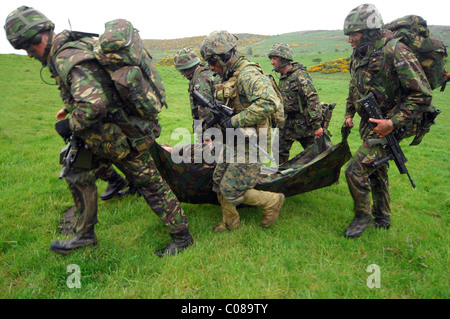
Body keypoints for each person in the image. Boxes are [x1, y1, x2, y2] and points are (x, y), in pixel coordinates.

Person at [5, 6, 193, 256]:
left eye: (27, 48)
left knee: (150, 184)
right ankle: (85, 234)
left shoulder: (66, 56)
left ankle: (182, 238)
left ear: (37, 39)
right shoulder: (74, 44)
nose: (29, 55)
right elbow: (98, 87)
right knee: (76, 169)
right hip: (103, 135)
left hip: (123, 136)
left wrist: (68, 124)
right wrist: (69, 109)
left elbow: (95, 104)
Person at [343, 4, 432, 238]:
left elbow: (422, 95)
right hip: (370, 121)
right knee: (377, 169)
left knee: (354, 170)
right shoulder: (360, 53)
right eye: (349, 35)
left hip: (390, 124)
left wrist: (391, 123)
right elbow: (354, 86)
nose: (350, 40)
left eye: (355, 34)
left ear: (370, 31)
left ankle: (362, 217)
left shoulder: (396, 51)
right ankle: (382, 218)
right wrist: (349, 113)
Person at [200, 30, 285, 232]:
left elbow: (269, 102)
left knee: (230, 188)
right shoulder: (230, 74)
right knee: (219, 180)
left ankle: (271, 201)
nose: (211, 67)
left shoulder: (248, 74)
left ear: (226, 56)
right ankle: (231, 223)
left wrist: (234, 120)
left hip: (252, 142)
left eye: (213, 61)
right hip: (236, 139)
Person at [56, 107, 129, 200]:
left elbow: (94, 103)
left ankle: (137, 185)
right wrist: (67, 110)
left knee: (122, 154)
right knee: (91, 155)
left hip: (115, 120)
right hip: (106, 121)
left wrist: (69, 123)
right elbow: (82, 99)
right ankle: (119, 181)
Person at [268, 43, 324, 164]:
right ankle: (280, 178)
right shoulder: (283, 77)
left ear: (283, 59)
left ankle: (326, 176)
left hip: (304, 124)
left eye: (274, 59)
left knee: (316, 154)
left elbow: (312, 98)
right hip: (287, 123)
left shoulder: (299, 75)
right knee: (278, 152)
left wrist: (317, 125)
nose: (272, 62)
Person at [174, 48, 219, 143]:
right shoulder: (206, 73)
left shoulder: (201, 81)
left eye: (183, 70)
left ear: (189, 67)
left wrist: (207, 137)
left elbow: (205, 111)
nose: (182, 73)